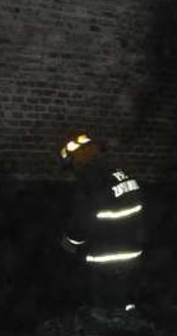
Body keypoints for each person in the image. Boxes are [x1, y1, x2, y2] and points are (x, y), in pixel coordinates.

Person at [57, 133, 146, 325]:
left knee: (101, 300)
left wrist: (69, 243)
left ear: (77, 161)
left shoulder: (90, 182)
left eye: (71, 167)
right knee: (123, 293)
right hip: (132, 249)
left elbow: (83, 218)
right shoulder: (119, 173)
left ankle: (105, 327)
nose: (72, 173)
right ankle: (129, 321)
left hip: (106, 253)